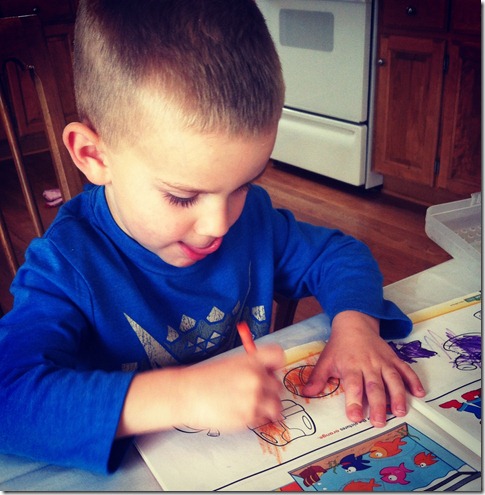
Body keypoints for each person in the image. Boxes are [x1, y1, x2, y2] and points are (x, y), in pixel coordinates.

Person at [0, 0, 425, 474]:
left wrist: (356, 326)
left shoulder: (251, 221)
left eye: (244, 184)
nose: (219, 224)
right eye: (182, 197)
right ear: (94, 156)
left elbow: (341, 255)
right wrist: (181, 395)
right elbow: (7, 400)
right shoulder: (67, 265)